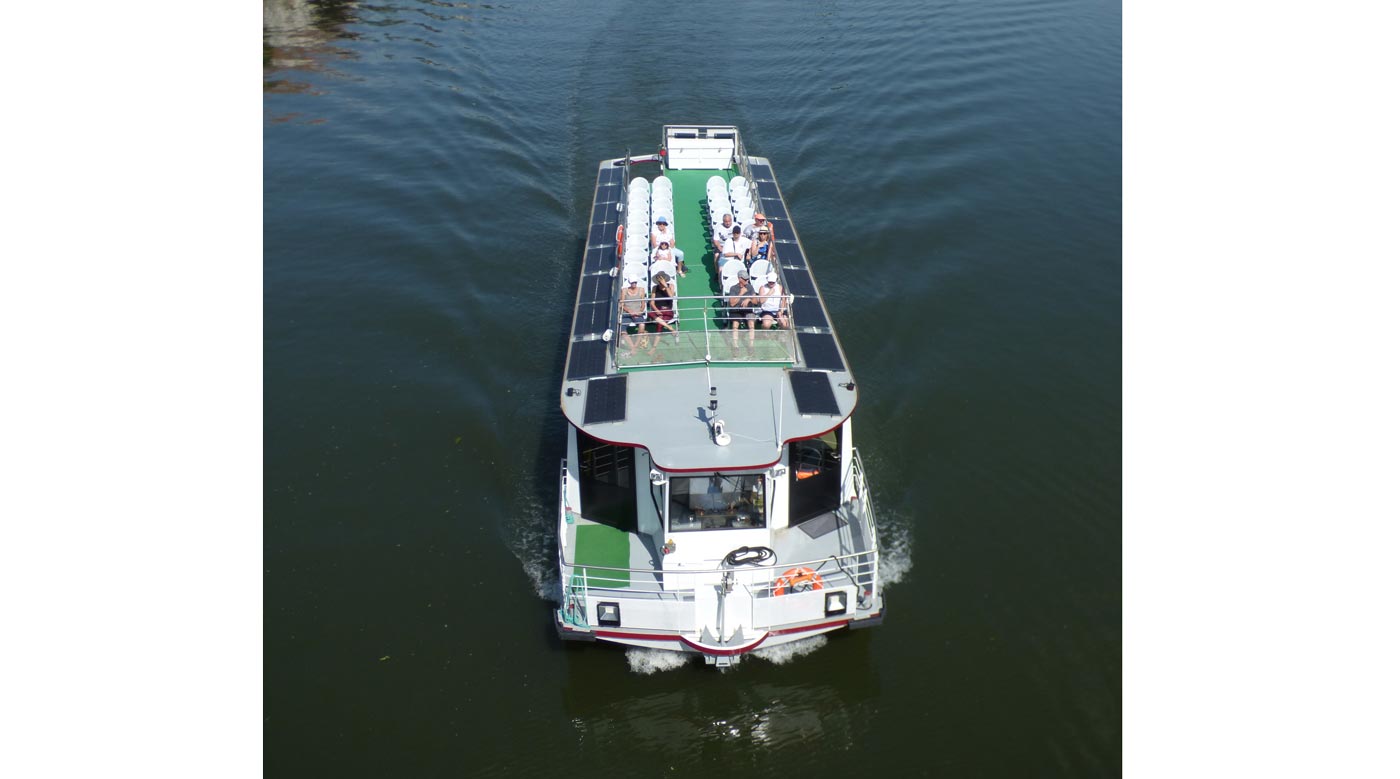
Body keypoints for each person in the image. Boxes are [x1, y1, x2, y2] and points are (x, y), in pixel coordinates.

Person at [724, 269, 760, 347]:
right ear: (740, 279)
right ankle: (735, 346)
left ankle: (751, 346)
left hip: (747, 310)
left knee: (751, 323)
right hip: (736, 310)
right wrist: (741, 293)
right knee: (735, 325)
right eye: (745, 279)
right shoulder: (733, 288)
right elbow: (732, 303)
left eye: (747, 279)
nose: (747, 281)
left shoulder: (750, 287)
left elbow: (756, 301)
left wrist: (749, 299)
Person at [618, 275, 651, 357]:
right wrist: (629, 311)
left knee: (642, 325)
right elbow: (621, 304)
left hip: (637, 313)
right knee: (622, 331)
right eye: (632, 283)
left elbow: (643, 304)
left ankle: (635, 346)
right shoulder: (624, 290)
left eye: (635, 282)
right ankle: (633, 347)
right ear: (630, 283)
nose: (634, 284)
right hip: (627, 314)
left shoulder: (641, 290)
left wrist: (639, 312)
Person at [649, 272, 679, 341]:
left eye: (662, 279)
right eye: (660, 280)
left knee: (659, 325)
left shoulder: (670, 286)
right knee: (650, 313)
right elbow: (652, 302)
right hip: (658, 310)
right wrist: (657, 311)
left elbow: (671, 297)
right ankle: (670, 328)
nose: (661, 281)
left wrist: (666, 286)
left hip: (667, 310)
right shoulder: (655, 288)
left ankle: (654, 347)